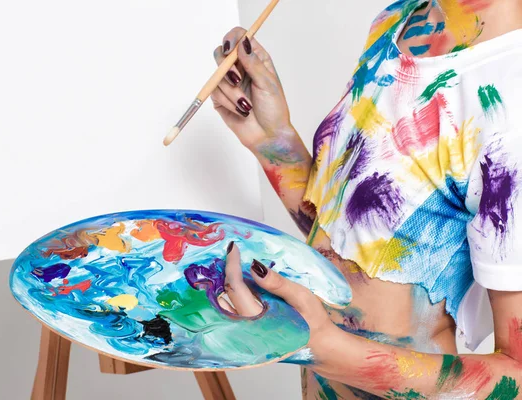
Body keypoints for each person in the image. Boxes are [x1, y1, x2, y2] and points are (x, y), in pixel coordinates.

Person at [211, 0, 522, 398]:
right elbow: (364, 250)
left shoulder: (509, 96)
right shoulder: (397, 22)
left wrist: (322, 346)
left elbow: (515, 377)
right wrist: (274, 143)